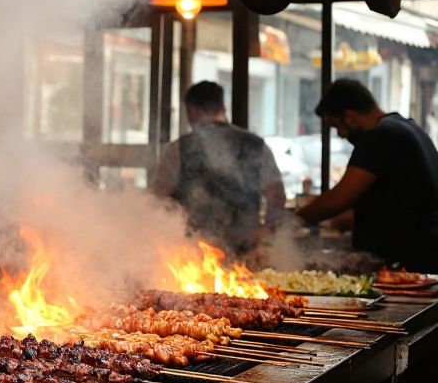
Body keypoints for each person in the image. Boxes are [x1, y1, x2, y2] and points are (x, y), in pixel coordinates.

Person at [296, 78, 438, 270]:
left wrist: (293, 220)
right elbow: (399, 200)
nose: (340, 135)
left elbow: (338, 199)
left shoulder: (379, 136)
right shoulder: (409, 127)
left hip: (405, 265)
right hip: (423, 258)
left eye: (337, 126)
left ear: (350, 116)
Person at [149, 81, 288, 254]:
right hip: (246, 249)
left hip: (194, 252)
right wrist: (267, 233)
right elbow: (276, 195)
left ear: (192, 111)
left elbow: (158, 198)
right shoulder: (257, 146)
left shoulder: (177, 149)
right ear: (223, 107)